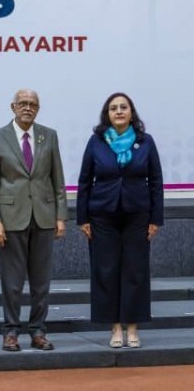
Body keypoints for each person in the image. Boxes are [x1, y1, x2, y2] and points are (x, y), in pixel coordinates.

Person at [77, 92, 163, 349]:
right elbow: (84, 181)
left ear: (131, 112)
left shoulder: (145, 142)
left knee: (135, 271)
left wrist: (155, 219)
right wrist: (83, 218)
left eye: (123, 107)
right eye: (113, 108)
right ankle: (114, 327)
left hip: (138, 215)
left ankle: (133, 327)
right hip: (102, 215)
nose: (119, 111)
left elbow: (156, 182)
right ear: (107, 114)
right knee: (106, 271)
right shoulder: (97, 142)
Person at [0, 89, 66, 352]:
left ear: (38, 108)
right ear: (13, 107)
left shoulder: (48, 136)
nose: (27, 108)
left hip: (43, 217)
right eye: (23, 104)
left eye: (33, 104)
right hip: (10, 220)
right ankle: (10, 332)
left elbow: (58, 181)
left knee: (41, 282)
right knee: (13, 282)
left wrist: (61, 216)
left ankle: (38, 330)